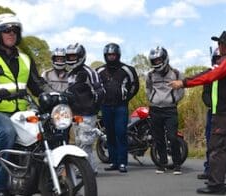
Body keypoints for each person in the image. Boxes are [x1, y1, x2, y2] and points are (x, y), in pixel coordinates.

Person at [0, 13, 50, 195]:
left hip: (21, 113)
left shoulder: (25, 59)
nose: (11, 33)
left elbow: (37, 84)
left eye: (15, 30)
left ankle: (41, 177)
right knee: (6, 132)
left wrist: (53, 95)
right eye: (6, 30)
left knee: (47, 130)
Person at [169, 30, 226, 194]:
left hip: (225, 112)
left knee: (217, 150)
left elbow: (209, 75)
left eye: (220, 44)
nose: (218, 47)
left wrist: (183, 83)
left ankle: (215, 185)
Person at [96, 43, 139, 173]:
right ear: (105, 56)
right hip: (105, 106)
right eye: (109, 55)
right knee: (110, 134)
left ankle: (122, 163)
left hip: (121, 106)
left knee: (121, 133)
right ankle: (113, 161)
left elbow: (135, 85)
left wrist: (126, 98)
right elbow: (95, 87)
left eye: (113, 55)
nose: (111, 57)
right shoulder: (99, 70)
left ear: (118, 55)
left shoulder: (128, 69)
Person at [65, 43, 105, 174]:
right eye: (69, 57)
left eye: (74, 57)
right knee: (79, 142)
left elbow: (100, 91)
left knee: (85, 143)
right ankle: (87, 169)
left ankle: (88, 170)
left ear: (81, 56)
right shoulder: (70, 74)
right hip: (74, 113)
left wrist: (92, 107)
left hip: (87, 114)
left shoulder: (89, 72)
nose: (71, 59)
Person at [145, 46, 185, 175]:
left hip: (170, 110)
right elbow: (148, 89)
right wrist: (153, 99)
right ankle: (162, 164)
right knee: (158, 138)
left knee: (172, 137)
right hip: (155, 109)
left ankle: (177, 164)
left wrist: (173, 100)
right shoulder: (150, 75)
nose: (157, 63)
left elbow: (181, 90)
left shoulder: (176, 73)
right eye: (154, 61)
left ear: (165, 58)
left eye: (158, 60)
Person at [197, 48, 221, 180]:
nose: (218, 60)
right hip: (213, 112)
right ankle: (209, 169)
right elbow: (205, 93)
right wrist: (211, 104)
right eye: (216, 58)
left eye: (220, 58)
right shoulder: (209, 74)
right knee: (211, 141)